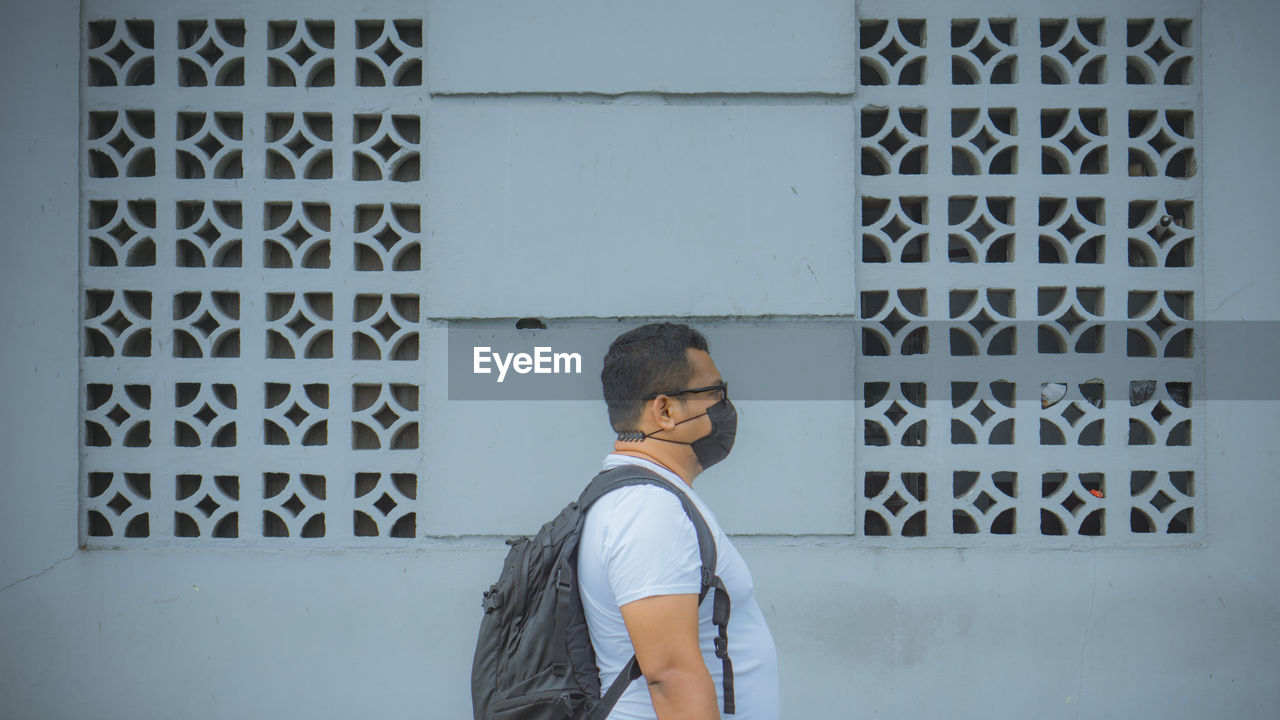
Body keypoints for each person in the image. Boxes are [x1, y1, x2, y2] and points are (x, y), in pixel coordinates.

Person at [578, 322, 780, 720]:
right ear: (665, 410)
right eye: (715, 394)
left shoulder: (648, 498)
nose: (726, 408)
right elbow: (670, 676)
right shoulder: (647, 509)